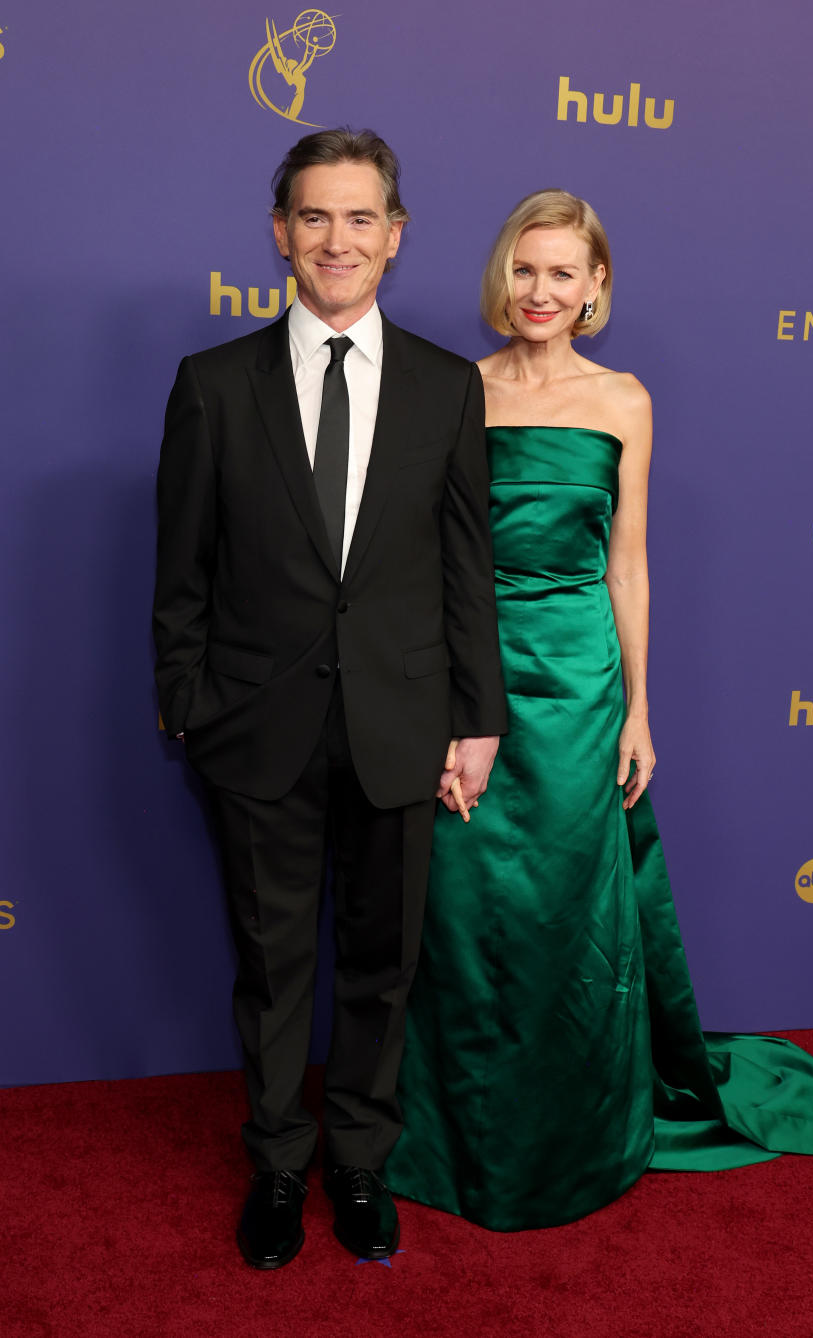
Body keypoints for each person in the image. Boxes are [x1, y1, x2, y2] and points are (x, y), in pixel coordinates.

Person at [385, 189, 813, 1232]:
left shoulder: (625, 400)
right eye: (524, 269)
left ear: (597, 286)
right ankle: (460, 1132)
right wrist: (436, 703)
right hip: (474, 678)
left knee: (564, 911)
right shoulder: (453, 389)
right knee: (465, 916)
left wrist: (640, 709)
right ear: (498, 277)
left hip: (579, 681)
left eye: (564, 273)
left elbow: (628, 562)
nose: (541, 291)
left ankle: (577, 1133)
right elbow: (431, 564)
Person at [152, 129, 507, 1267]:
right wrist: (187, 705)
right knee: (271, 968)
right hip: (255, 732)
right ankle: (278, 1164)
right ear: (279, 235)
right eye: (315, 217)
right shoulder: (212, 386)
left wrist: (479, 718)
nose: (337, 240)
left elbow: (466, 572)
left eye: (361, 219)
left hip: (403, 729)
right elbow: (182, 571)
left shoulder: (450, 388)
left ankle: (356, 1162)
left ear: (394, 238)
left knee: (379, 963)